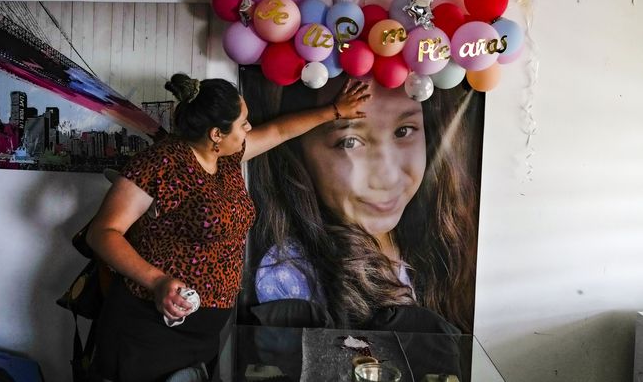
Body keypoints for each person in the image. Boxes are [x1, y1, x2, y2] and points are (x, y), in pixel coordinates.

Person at [85, 72, 370, 382]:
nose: (249, 128)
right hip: (149, 327)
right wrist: (157, 281)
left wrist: (336, 111)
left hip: (202, 331)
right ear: (216, 133)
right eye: (243, 123)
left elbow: (278, 131)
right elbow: (102, 233)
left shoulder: (226, 158)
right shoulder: (161, 164)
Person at [240, 68, 482, 334]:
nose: (387, 177)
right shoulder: (291, 272)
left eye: (403, 131)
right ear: (299, 154)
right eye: (349, 142)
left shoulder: (440, 246)